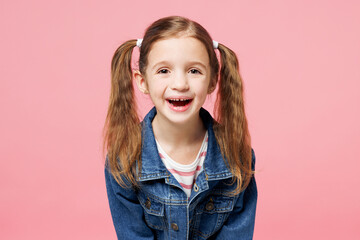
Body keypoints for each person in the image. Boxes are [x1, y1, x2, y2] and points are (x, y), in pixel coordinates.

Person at [103, 15, 257, 239]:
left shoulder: (236, 155)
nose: (180, 84)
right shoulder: (123, 160)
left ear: (213, 81)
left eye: (194, 71)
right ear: (142, 81)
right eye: (164, 71)